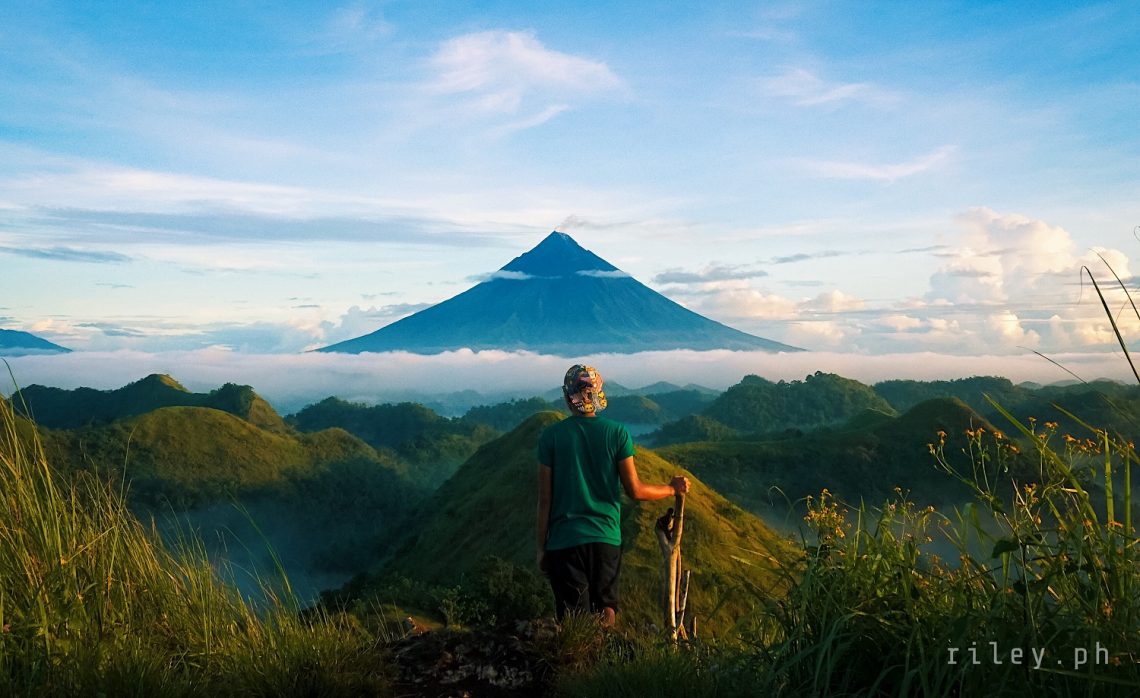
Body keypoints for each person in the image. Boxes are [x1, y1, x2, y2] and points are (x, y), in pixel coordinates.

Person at [536, 364, 690, 627]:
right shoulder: (617, 433)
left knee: (574, 621)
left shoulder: (550, 436)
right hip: (606, 537)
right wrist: (672, 489)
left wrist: (541, 547)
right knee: (606, 608)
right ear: (599, 394)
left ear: (567, 396)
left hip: (565, 541)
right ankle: (603, 659)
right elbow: (636, 490)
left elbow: (545, 500)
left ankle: (580, 664)